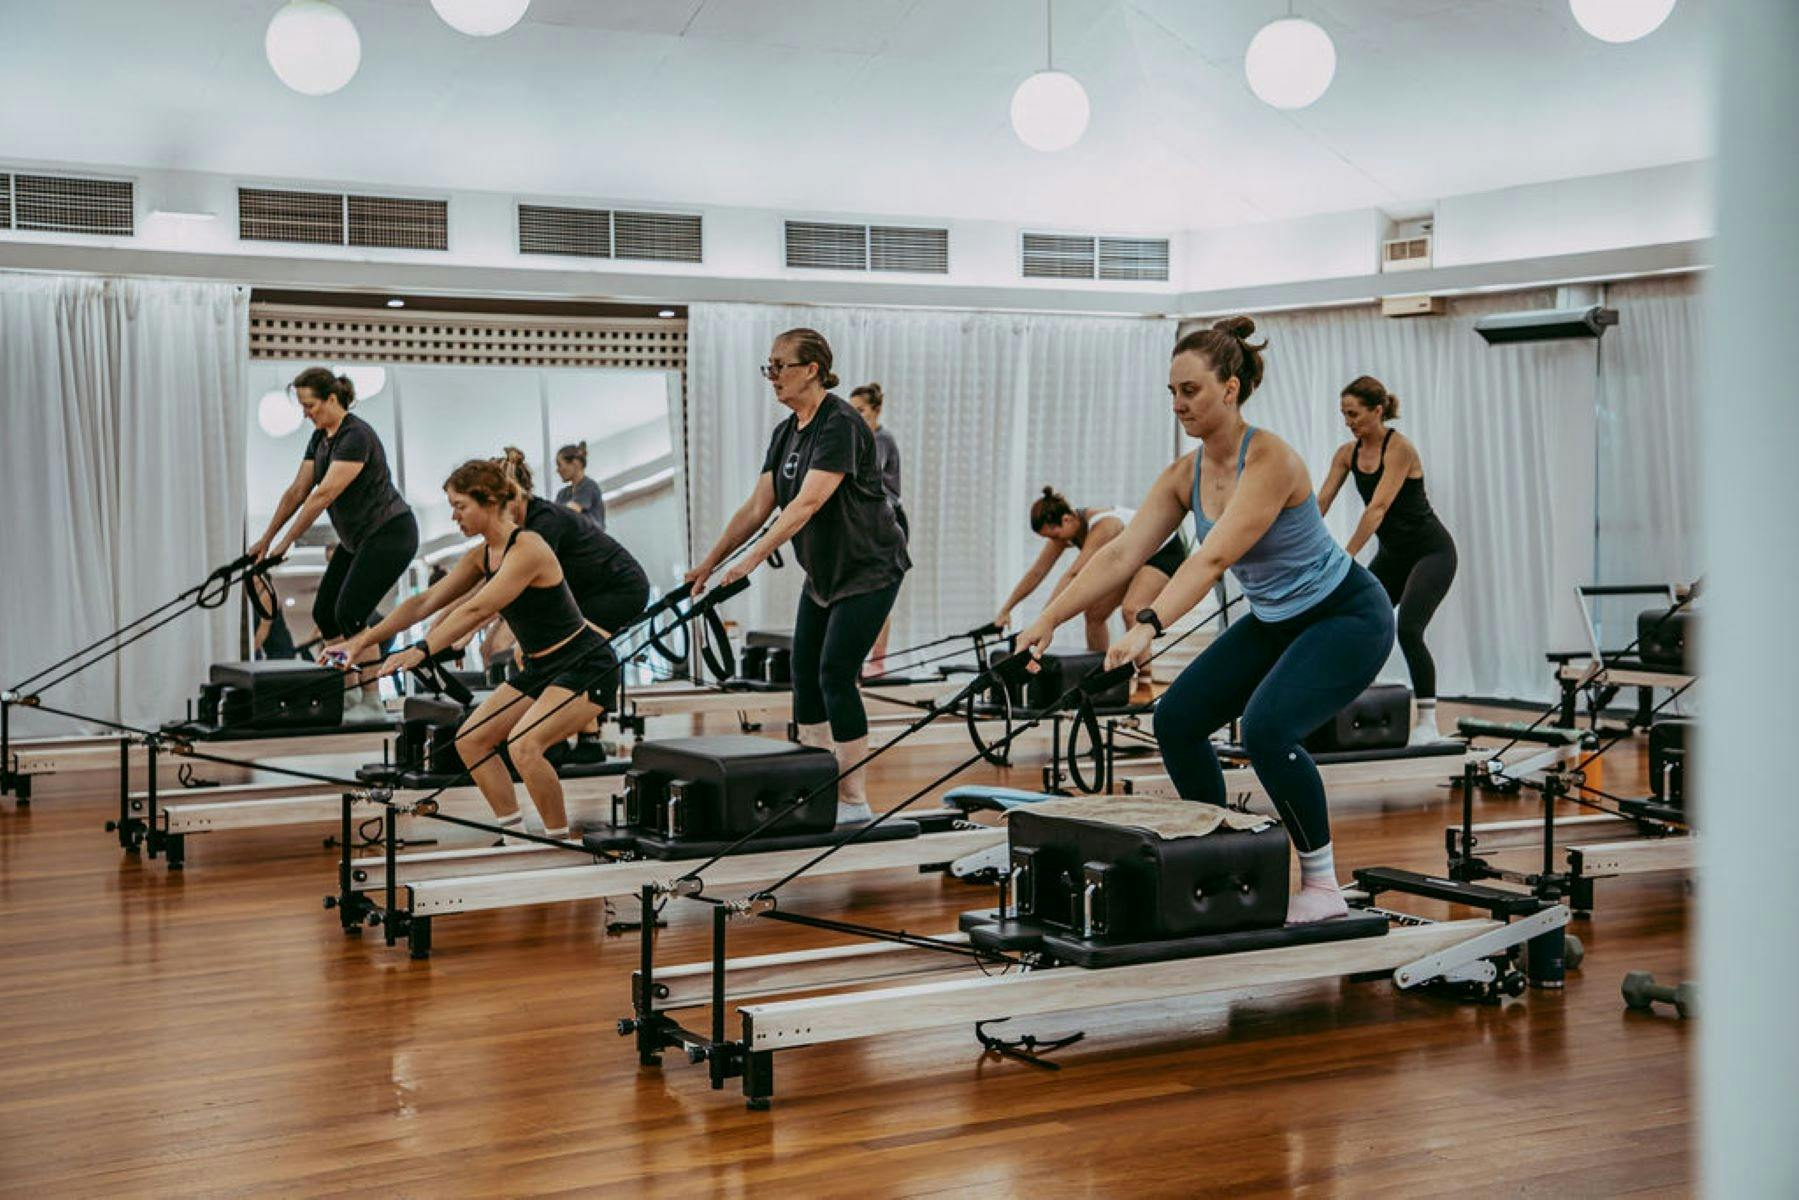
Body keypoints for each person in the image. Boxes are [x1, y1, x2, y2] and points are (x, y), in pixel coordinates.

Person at [1016, 318, 1396, 925]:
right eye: (1171, 392)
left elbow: (1214, 555)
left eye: (1189, 390)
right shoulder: (1183, 475)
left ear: (1231, 388)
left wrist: (1147, 624)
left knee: (1268, 730)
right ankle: (1215, 856)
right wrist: (1048, 618)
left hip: (1346, 615)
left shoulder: (1269, 458)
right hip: (1276, 620)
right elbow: (1120, 553)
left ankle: (1322, 884)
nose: (1177, 405)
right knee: (1178, 718)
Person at [687, 328, 910, 824]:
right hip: (825, 574)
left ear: (811, 369)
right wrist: (711, 561)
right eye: (767, 367)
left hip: (871, 569)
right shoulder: (787, 431)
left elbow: (808, 503)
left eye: (779, 366)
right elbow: (758, 506)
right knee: (803, 675)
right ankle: (817, 785)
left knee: (834, 673)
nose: (772, 377)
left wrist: (750, 562)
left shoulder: (841, 424)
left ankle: (854, 800)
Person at [365, 460, 617, 843]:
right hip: (540, 666)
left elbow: (478, 608)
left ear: (487, 503)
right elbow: (425, 601)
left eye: (460, 506)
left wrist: (422, 649)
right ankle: (514, 838)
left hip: (585, 664)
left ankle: (559, 843)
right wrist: (362, 641)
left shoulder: (528, 547)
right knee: (471, 739)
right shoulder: (481, 555)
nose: (454, 516)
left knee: (525, 745)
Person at [249, 367, 418, 723]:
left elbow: (323, 494)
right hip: (357, 538)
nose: (305, 413)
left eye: (309, 405)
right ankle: (352, 691)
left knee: (352, 613)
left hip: (390, 533)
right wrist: (265, 541)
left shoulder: (355, 435)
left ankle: (372, 699)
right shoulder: (320, 438)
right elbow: (298, 491)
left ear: (331, 398)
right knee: (326, 612)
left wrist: (287, 542)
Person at [1317, 376, 1459, 744]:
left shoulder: (1400, 450)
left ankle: (1427, 722)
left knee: (1409, 629)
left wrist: (1345, 555)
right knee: (1358, 621)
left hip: (1432, 552)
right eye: (1344, 415)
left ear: (1377, 411)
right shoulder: (1345, 454)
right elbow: (1321, 502)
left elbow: (1377, 508)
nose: (1348, 422)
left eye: (1354, 414)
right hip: (1393, 555)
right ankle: (1338, 704)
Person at [993, 488, 1186, 691]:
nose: (1056, 543)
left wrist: (1044, 622)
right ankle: (1104, 678)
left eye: (1055, 536)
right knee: (1094, 615)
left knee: (1132, 608)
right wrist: (1006, 609)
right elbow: (1037, 572)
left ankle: (1146, 684)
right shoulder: (1066, 531)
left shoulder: (1104, 526)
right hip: (1130, 559)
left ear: (1067, 519)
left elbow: (1074, 575)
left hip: (1162, 551)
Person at [848, 383, 905, 674]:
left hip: (887, 521)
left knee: (877, 593)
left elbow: (867, 479)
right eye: (852, 412)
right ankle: (862, 656)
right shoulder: (861, 440)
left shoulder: (880, 440)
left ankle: (878, 660)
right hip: (867, 521)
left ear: (876, 410)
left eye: (861, 411)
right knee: (858, 591)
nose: (856, 418)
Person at [554, 442, 607, 531]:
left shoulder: (588, 486)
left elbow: (570, 512)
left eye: (560, 465)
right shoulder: (562, 494)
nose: (557, 470)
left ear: (575, 464)